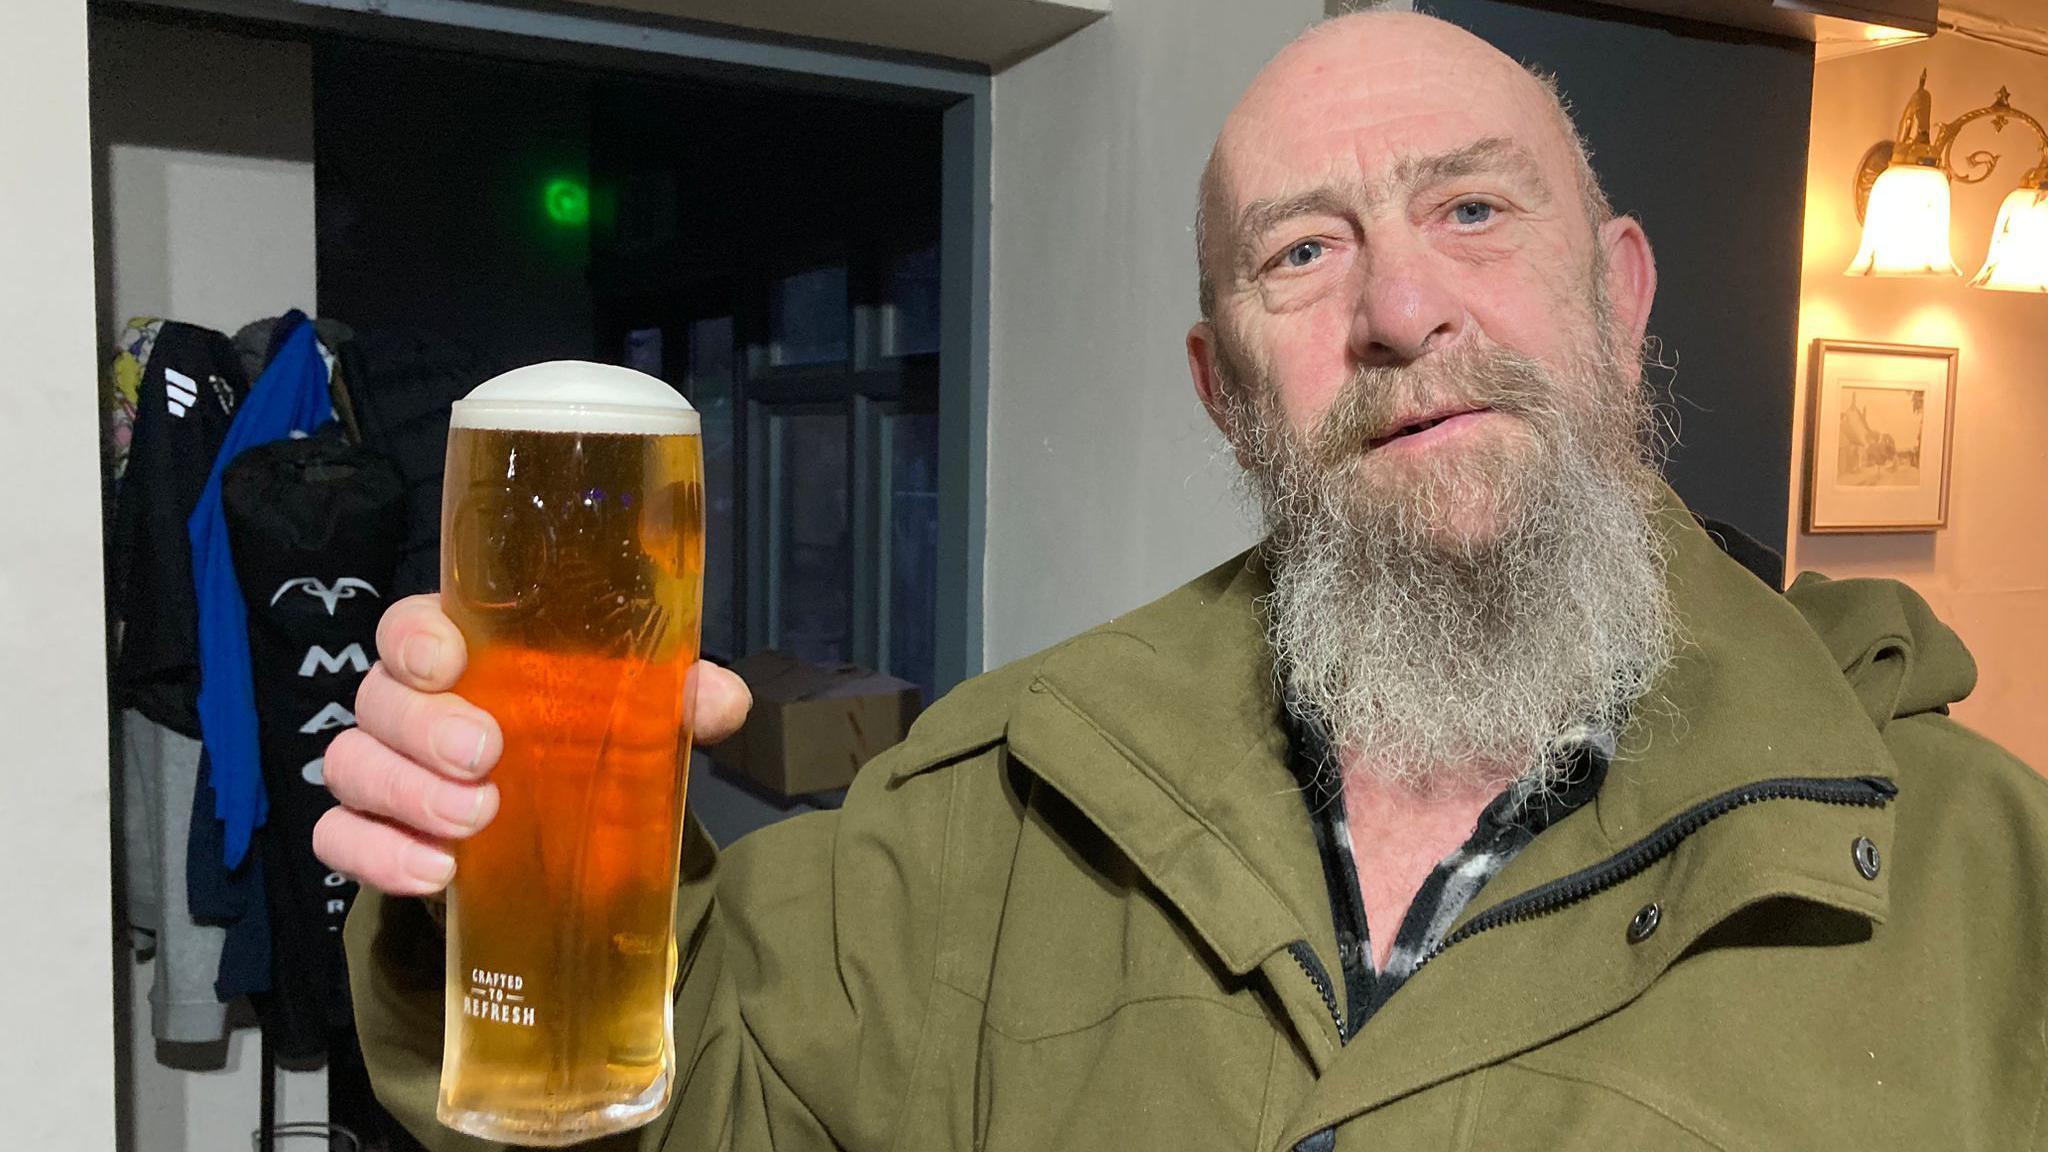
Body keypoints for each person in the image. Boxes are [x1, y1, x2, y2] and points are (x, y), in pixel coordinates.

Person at [320, 10, 2048, 1150]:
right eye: (1302, 251)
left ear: (1618, 293)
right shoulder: (1007, 805)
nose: (1398, 311)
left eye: (1469, 212)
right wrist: (463, 878)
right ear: (1224, 389)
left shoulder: (1989, 885)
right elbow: (678, 1098)